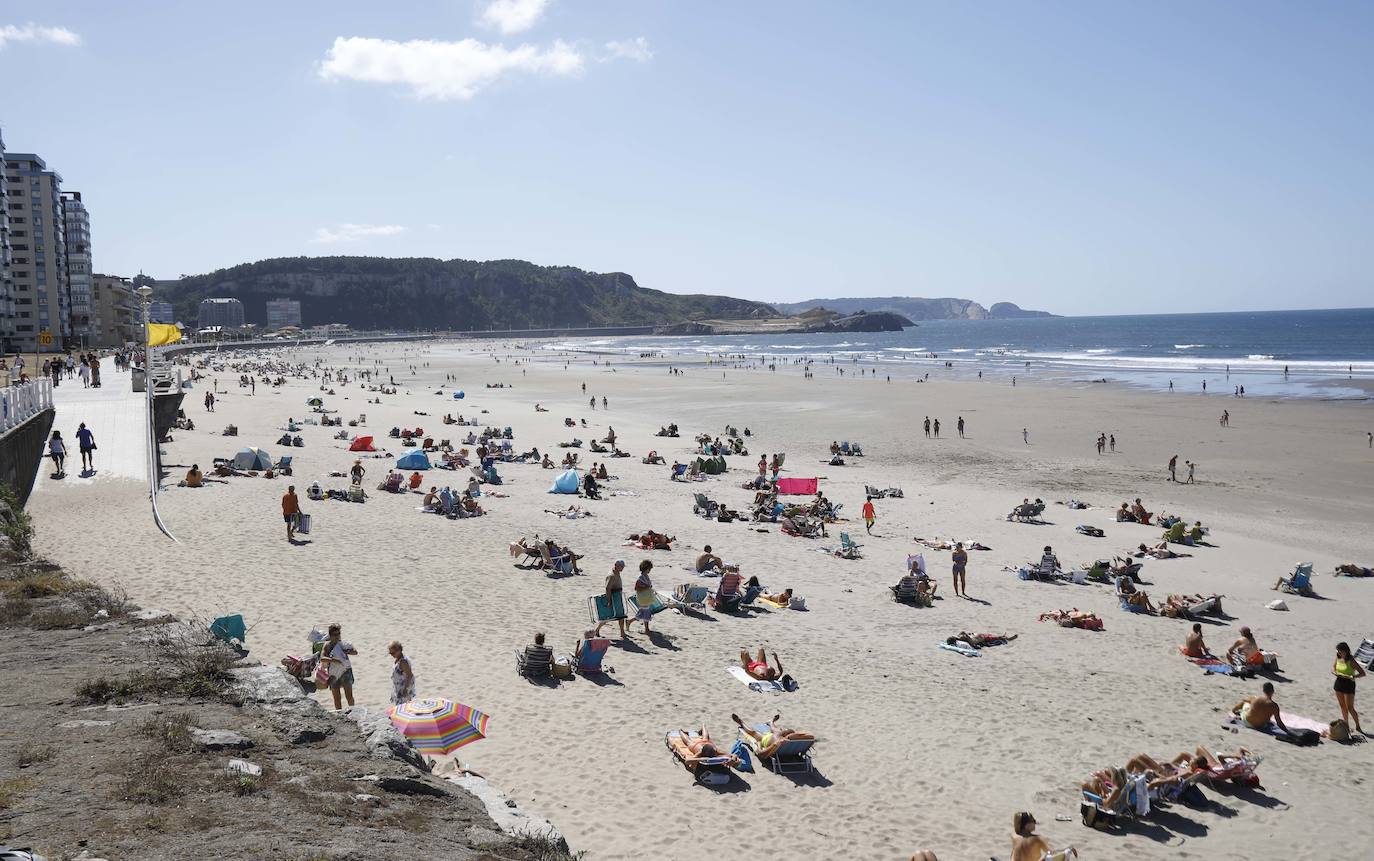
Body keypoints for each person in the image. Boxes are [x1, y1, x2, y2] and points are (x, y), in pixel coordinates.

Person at [730, 712, 814, 758]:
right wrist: (788, 735)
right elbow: (811, 737)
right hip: (776, 737)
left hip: (765, 739)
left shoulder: (777, 744)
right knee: (776, 731)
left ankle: (741, 722)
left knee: (752, 732)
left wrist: (759, 745)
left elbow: (761, 754)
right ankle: (771, 722)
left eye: (785, 731)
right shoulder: (799, 742)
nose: (783, 729)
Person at [320, 624, 357, 710]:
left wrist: (346, 651)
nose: (337, 636)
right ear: (330, 635)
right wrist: (334, 660)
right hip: (333, 674)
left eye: (338, 634)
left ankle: (353, 712)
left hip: (345, 671)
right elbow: (322, 658)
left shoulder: (343, 643)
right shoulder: (327, 645)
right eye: (334, 635)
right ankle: (340, 715)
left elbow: (355, 652)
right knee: (337, 698)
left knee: (349, 696)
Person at [1011, 812, 1075, 861]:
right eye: (1033, 821)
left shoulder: (1014, 836)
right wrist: (1068, 849)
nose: (1035, 823)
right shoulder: (1037, 839)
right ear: (1026, 825)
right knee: (1064, 854)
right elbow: (1052, 852)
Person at [1333, 641, 1365, 734]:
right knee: (1342, 706)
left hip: (1349, 684)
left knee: (1350, 707)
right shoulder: (1338, 657)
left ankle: (1358, 726)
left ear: (1346, 651)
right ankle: (1346, 725)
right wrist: (1334, 672)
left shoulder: (1351, 660)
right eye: (1338, 651)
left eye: (1340, 651)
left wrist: (1352, 677)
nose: (1338, 653)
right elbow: (1333, 667)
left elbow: (1362, 673)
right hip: (1339, 682)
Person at [595, 560, 630, 639]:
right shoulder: (611, 575)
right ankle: (597, 630)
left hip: (618, 596)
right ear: (616, 565)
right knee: (611, 616)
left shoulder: (617, 573)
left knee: (621, 615)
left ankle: (622, 632)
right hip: (614, 597)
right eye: (621, 566)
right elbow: (608, 588)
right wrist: (609, 600)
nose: (622, 568)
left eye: (623, 567)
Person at [388, 641, 416, 705]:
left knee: (403, 707)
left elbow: (410, 675)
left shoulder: (403, 662)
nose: (391, 655)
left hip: (403, 689)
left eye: (392, 653)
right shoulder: (398, 659)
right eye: (390, 653)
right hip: (398, 687)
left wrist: (405, 689)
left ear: (399, 650)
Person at [633, 560, 655, 635]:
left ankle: (629, 621)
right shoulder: (640, 577)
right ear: (646, 568)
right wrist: (646, 587)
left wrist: (648, 587)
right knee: (646, 612)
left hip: (646, 597)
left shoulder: (646, 576)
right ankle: (646, 629)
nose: (650, 571)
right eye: (649, 569)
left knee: (642, 613)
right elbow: (636, 588)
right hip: (642, 598)